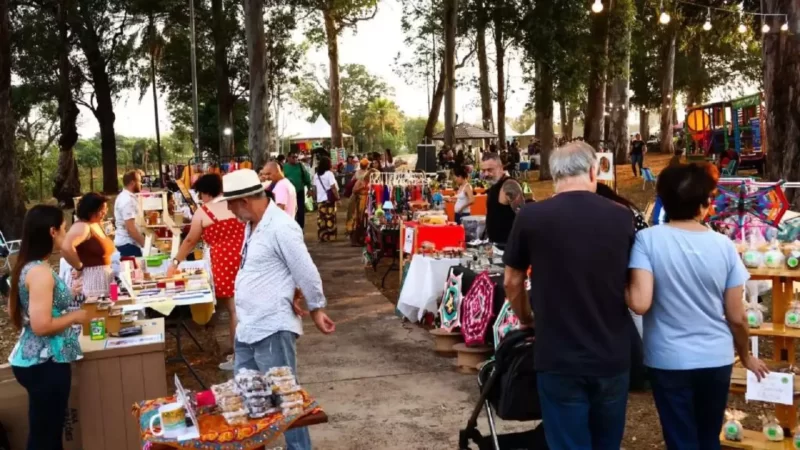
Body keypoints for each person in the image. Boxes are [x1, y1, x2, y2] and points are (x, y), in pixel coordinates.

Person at [626, 164, 769, 449]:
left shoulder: (647, 240)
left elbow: (640, 302)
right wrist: (746, 354)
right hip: (715, 358)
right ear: (706, 203)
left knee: (680, 439)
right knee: (708, 437)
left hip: (667, 359)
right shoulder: (724, 246)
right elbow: (737, 316)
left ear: (663, 200)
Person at [503, 142, 634, 450]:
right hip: (611, 352)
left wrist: (527, 317)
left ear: (554, 174)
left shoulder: (531, 217)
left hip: (558, 353)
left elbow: (511, 281)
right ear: (593, 171)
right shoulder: (622, 217)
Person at [219, 169, 336, 450]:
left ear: (245, 201)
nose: (230, 211)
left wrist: (316, 306)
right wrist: (292, 289)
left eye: (231, 205)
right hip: (249, 327)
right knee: (248, 398)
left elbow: (304, 269)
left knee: (286, 401)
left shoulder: (281, 226)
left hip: (271, 328)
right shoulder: (254, 225)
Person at [7, 205, 87, 450]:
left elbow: (17, 311)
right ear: (52, 232)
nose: (66, 235)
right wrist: (75, 317)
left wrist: (66, 294)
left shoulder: (28, 265)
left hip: (37, 361)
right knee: (46, 437)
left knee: (46, 432)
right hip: (45, 364)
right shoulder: (40, 272)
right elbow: (41, 325)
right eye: (63, 229)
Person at [168, 174, 246, 371]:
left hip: (222, 261)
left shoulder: (204, 212)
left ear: (205, 192)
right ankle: (245, 353)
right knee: (245, 307)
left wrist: (176, 261)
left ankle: (240, 356)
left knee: (234, 310)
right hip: (245, 255)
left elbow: (190, 241)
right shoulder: (235, 205)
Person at [61, 193, 116, 297]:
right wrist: (79, 267)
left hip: (106, 281)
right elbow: (66, 247)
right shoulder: (83, 226)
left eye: (106, 208)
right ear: (91, 211)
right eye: (101, 210)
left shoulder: (96, 224)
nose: (105, 212)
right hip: (92, 284)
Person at [480, 152, 525, 247]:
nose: (486, 174)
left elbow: (523, 215)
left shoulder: (509, 185)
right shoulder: (494, 185)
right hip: (495, 245)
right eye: (483, 171)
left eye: (490, 170)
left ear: (500, 168)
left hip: (507, 246)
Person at [114, 170, 146, 257]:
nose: (141, 184)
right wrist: (146, 245)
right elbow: (130, 228)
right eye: (139, 181)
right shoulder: (127, 200)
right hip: (128, 245)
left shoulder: (125, 197)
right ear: (132, 183)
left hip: (128, 244)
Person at [284, 151, 313, 229]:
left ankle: (301, 228)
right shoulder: (284, 167)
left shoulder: (300, 166)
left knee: (300, 210)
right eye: (293, 157)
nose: (295, 159)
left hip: (299, 191)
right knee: (290, 210)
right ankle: (291, 227)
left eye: (296, 157)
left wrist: (309, 188)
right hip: (288, 193)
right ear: (288, 158)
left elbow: (307, 177)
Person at [314, 157, 340, 242]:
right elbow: (333, 187)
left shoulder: (316, 175)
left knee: (321, 219)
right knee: (330, 218)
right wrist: (338, 198)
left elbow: (315, 188)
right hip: (329, 199)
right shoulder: (329, 174)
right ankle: (330, 237)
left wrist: (315, 198)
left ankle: (322, 236)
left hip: (320, 200)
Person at [346, 160, 372, 246]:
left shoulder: (357, 173)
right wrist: (362, 188)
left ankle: (358, 240)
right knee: (356, 220)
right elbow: (354, 190)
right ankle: (354, 241)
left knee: (358, 220)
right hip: (357, 201)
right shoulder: (362, 180)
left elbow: (351, 181)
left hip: (359, 201)